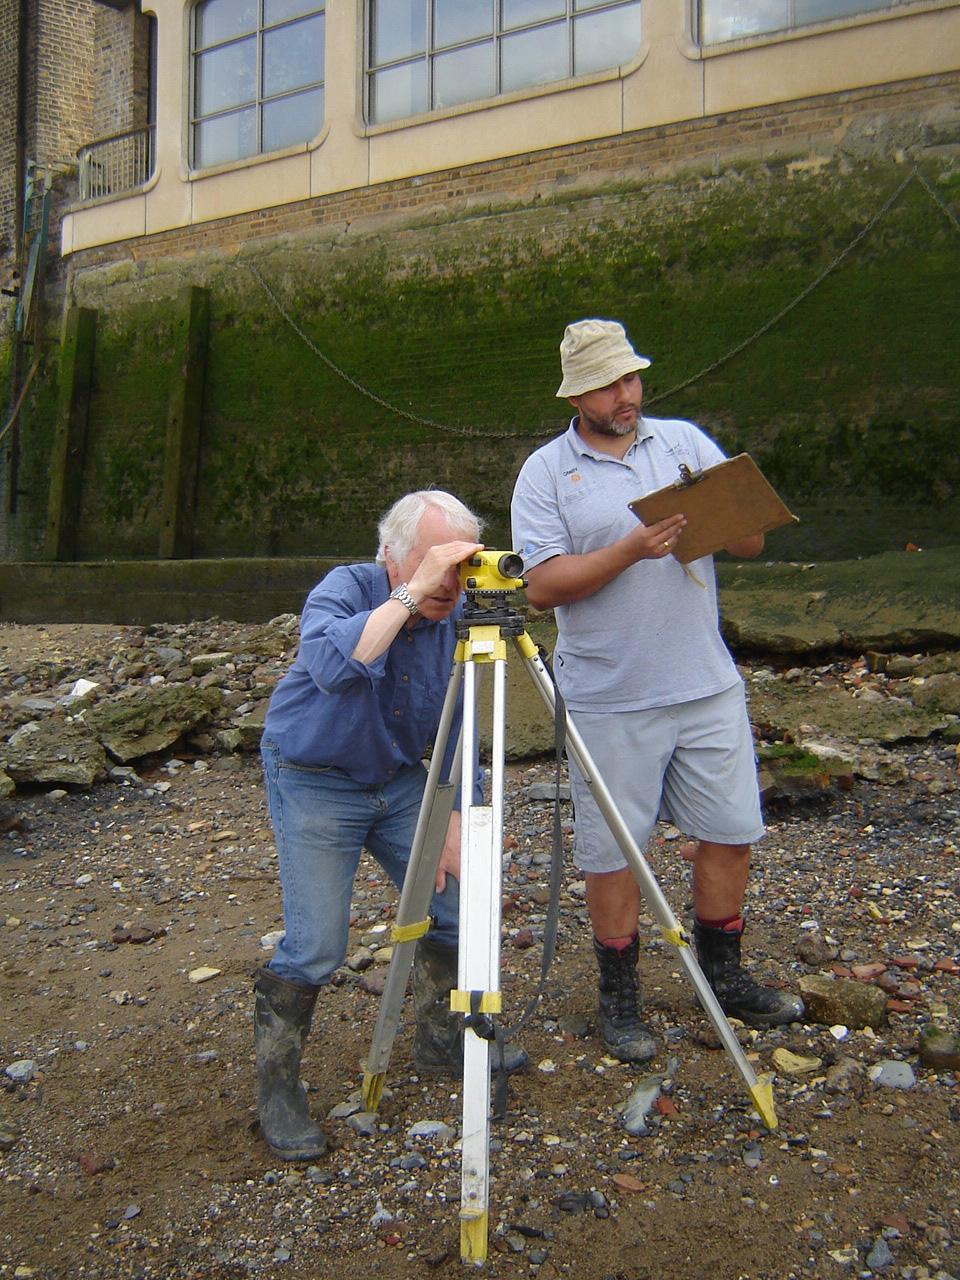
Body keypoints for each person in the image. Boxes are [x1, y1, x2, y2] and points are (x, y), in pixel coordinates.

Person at [510, 319, 804, 1064]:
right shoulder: (545, 472)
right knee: (612, 852)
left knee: (733, 830)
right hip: (609, 694)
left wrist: (735, 509)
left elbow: (750, 542)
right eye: (609, 385)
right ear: (577, 393)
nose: (626, 394)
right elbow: (541, 588)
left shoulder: (682, 442)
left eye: (632, 379)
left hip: (705, 683)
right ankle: (621, 996)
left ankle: (724, 976)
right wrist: (630, 549)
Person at [255, 490, 527, 1162]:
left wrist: (461, 811)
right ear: (391, 555)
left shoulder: (463, 612)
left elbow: (464, 719)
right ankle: (277, 1089)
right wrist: (410, 596)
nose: (450, 583)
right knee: (317, 944)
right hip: (315, 779)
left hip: (403, 783)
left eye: (459, 565)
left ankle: (440, 1039)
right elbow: (332, 666)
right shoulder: (346, 589)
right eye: (437, 561)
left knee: (460, 906)